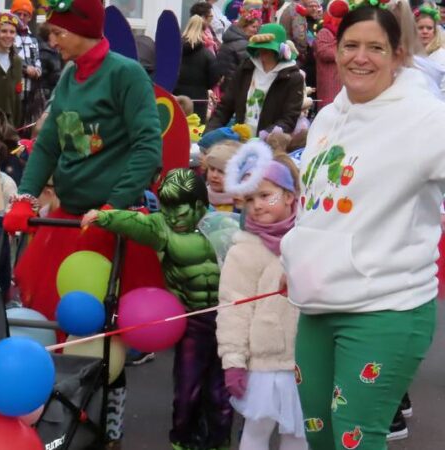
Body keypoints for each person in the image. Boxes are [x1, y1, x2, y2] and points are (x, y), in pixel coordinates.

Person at [281, 5, 445, 449]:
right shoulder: (329, 116)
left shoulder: (426, 119)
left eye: (376, 47)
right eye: (351, 45)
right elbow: (317, 205)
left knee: (355, 438)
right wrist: (297, 258)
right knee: (318, 436)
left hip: (387, 308)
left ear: (398, 55)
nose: (360, 57)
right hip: (318, 304)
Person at [2, 1, 165, 446]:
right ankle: (58, 418)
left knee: (101, 331)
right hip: (67, 222)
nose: (51, 41)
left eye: (58, 33)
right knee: (54, 322)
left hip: (106, 223)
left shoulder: (126, 74)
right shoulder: (70, 75)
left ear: (85, 29)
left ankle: (108, 423)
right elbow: (49, 144)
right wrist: (25, 197)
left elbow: (148, 147)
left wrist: (114, 206)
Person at [81, 168, 232, 450]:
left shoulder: (224, 224)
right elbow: (134, 222)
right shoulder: (161, 227)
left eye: (180, 210)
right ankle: (183, 441)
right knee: (187, 389)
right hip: (193, 320)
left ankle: (217, 442)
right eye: (167, 208)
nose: (172, 216)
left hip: (230, 319)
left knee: (220, 391)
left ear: (199, 205)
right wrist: (103, 217)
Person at [216, 141, 307, 450]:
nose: (256, 205)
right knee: (257, 430)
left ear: (290, 196)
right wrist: (233, 360)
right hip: (264, 364)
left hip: (307, 359)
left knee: (299, 433)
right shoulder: (243, 250)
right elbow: (233, 309)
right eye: (249, 198)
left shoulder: (309, 242)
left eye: (266, 195)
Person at [207, 23, 305, 135]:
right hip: (240, 139)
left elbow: (288, 119)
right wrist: (209, 134)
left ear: (281, 50)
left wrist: (263, 138)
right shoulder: (246, 68)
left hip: (269, 142)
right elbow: (225, 107)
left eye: (268, 48)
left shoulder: (293, 78)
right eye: (260, 46)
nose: (263, 50)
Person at [175, 16, 219, 123]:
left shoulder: (175, 51)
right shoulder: (207, 55)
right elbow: (214, 79)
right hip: (198, 101)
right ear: (203, 31)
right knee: (196, 129)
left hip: (177, 98)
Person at [12, 0, 46, 131]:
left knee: (27, 128)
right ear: (12, 14)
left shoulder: (33, 39)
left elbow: (37, 61)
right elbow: (9, 59)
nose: (21, 17)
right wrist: (26, 69)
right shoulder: (9, 34)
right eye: (18, 14)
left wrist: (37, 71)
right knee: (12, 125)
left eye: (25, 14)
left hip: (30, 91)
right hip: (14, 90)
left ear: (30, 17)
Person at [213, 8, 263, 93]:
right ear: (244, 26)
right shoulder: (242, 44)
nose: (255, 30)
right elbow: (249, 65)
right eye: (253, 27)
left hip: (226, 83)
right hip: (234, 85)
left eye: (257, 28)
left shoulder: (231, 38)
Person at [315, 0, 349, 108]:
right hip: (330, 80)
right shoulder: (325, 32)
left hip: (344, 80)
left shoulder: (348, 31)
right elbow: (324, 53)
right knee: (330, 107)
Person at [416, 2, 445, 87]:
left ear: (435, 31)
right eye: (420, 28)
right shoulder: (410, 54)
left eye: (429, 28)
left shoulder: (441, 56)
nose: (425, 31)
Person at [37, 23, 63, 101]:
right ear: (49, 35)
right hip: (46, 95)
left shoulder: (54, 51)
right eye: (56, 34)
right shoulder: (44, 52)